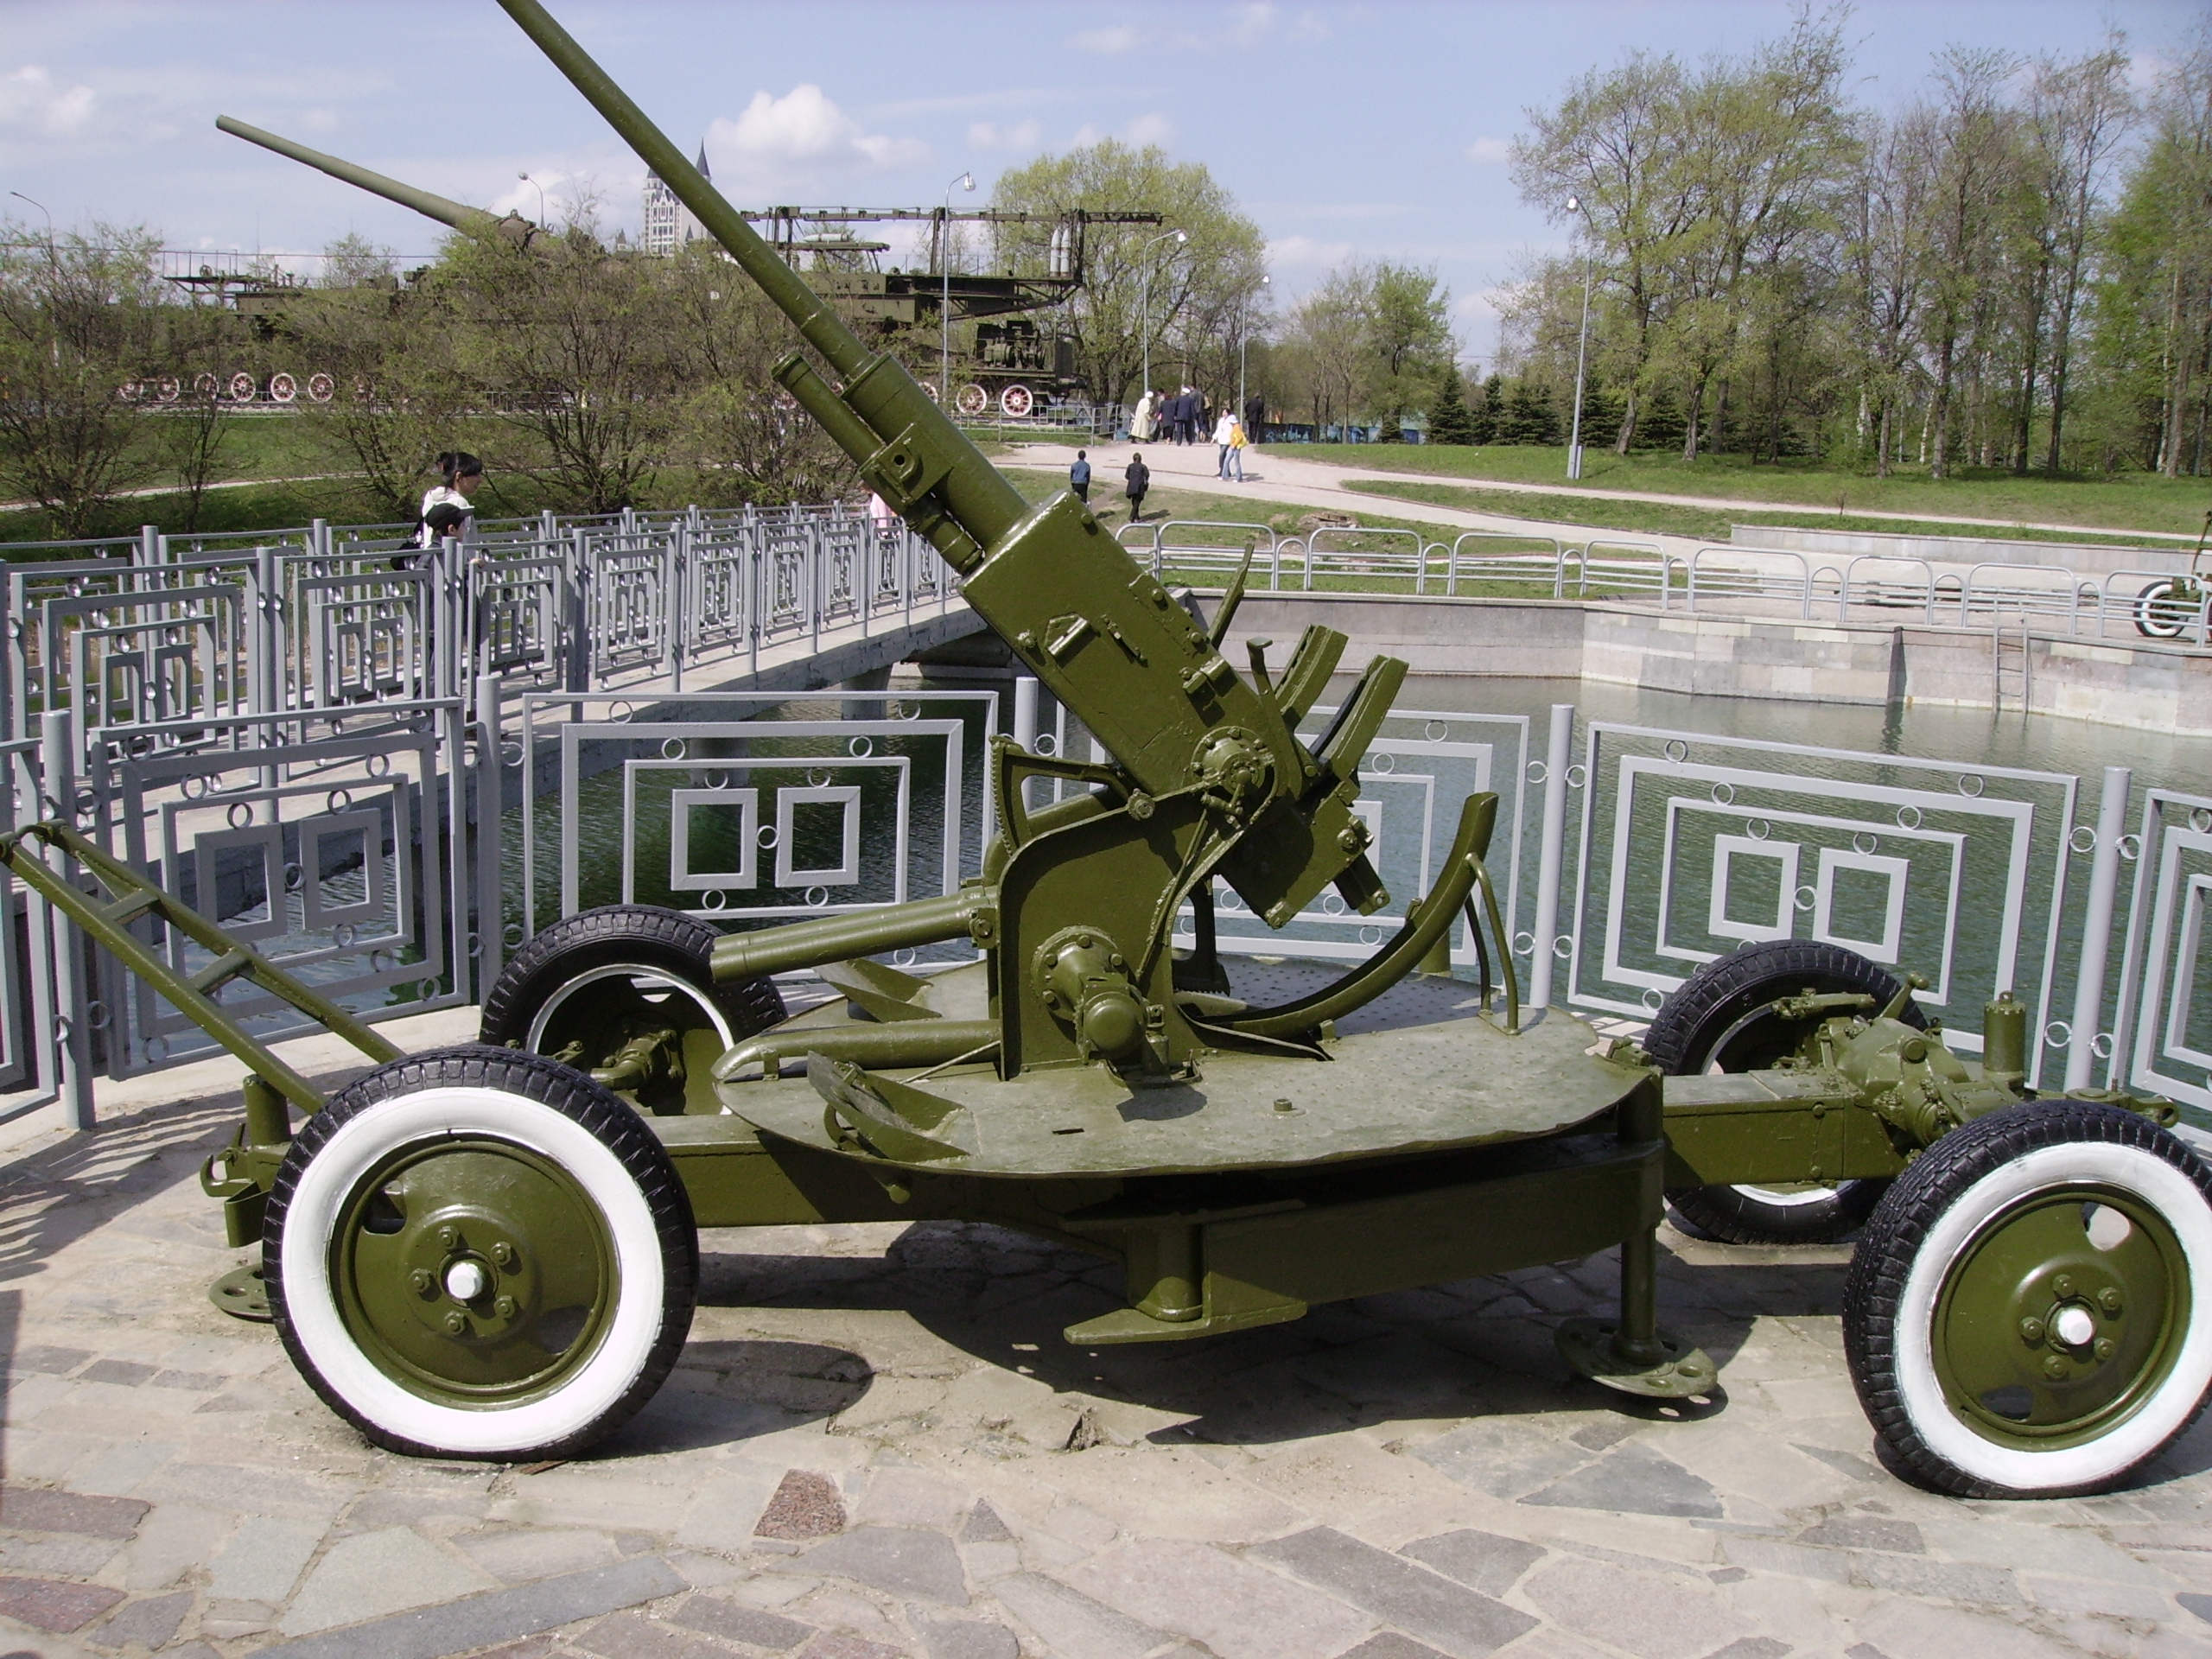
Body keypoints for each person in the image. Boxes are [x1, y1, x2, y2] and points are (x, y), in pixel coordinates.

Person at [414, 451, 480, 551]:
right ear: (459, 477)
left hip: (433, 557)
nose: (480, 480)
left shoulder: (433, 499)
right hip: (455, 559)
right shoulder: (459, 504)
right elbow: (465, 544)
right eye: (475, 475)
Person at [1212, 407, 1238, 480]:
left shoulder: (1232, 419)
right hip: (1221, 440)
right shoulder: (1221, 420)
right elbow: (1218, 430)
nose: (1224, 414)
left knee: (1221, 455)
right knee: (1224, 456)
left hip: (1228, 440)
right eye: (1223, 412)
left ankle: (1222, 470)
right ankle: (1227, 472)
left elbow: (1235, 427)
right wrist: (1214, 438)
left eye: (1225, 412)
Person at [1123, 450, 1150, 521]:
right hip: (1139, 487)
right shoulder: (1143, 467)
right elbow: (1147, 475)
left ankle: (1136, 516)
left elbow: (1126, 476)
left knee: (1134, 501)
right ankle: (1132, 516)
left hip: (1131, 486)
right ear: (1140, 459)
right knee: (1137, 502)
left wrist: (1132, 479)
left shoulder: (1130, 466)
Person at [1224, 415, 1248, 482]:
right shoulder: (1234, 426)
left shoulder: (1237, 427)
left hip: (1236, 447)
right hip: (1233, 446)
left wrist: (1234, 444)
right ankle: (1224, 476)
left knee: (1236, 462)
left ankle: (1239, 478)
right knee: (1226, 461)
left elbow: (1240, 437)